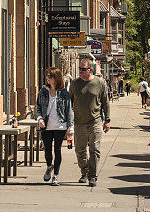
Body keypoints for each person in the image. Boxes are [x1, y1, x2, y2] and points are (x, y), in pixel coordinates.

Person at [70, 58, 110, 187]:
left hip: (95, 121)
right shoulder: (75, 83)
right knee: (80, 150)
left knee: (94, 149)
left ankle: (92, 176)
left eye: (83, 69)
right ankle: (84, 172)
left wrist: (107, 120)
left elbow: (105, 102)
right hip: (79, 122)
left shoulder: (99, 83)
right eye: (79, 69)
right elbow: (68, 102)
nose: (80, 71)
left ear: (90, 69)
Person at [36, 68, 74, 186]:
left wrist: (70, 127)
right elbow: (37, 108)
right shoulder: (43, 91)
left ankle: (56, 175)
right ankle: (49, 166)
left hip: (60, 125)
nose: (47, 78)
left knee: (57, 150)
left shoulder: (64, 93)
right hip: (46, 125)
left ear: (56, 78)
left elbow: (69, 111)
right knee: (47, 150)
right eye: (47, 76)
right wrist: (39, 119)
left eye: (50, 76)